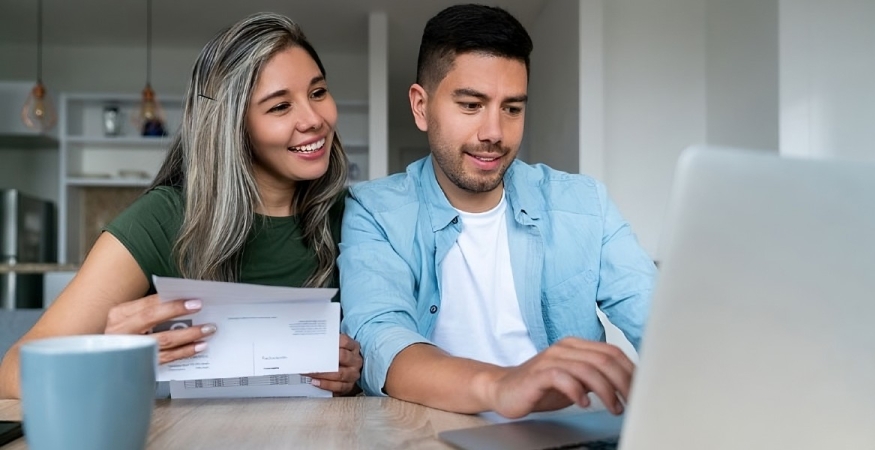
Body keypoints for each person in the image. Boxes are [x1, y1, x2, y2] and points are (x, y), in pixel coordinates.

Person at [0, 12, 362, 399]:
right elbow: (11, 375)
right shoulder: (161, 220)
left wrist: (358, 372)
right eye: (279, 107)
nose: (314, 119)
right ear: (230, 126)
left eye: (318, 92)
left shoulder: (356, 217)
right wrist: (108, 356)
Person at [338, 4, 657, 419]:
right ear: (421, 106)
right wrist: (502, 384)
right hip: (434, 433)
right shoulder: (374, 211)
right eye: (471, 105)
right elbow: (383, 340)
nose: (494, 133)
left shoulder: (583, 204)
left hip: (570, 431)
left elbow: (660, 321)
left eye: (512, 108)